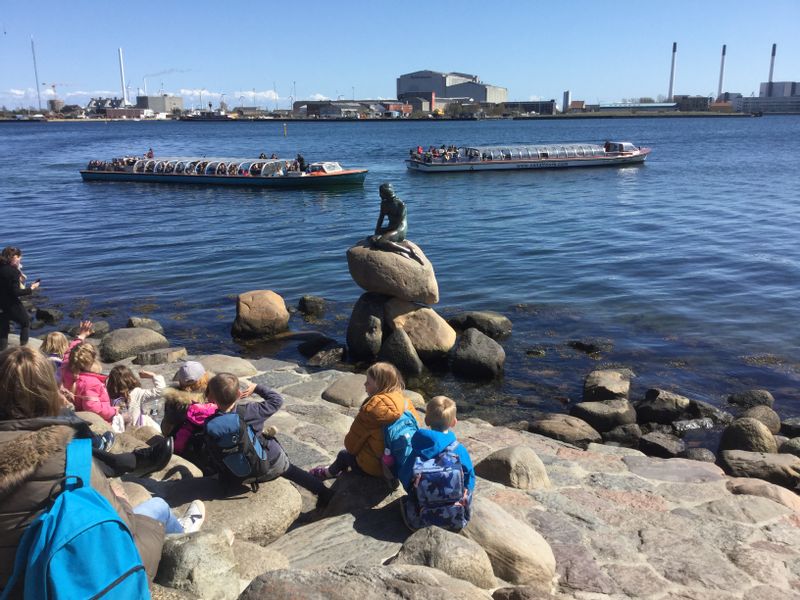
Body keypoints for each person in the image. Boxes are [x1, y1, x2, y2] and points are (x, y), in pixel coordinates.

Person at [0, 346, 204, 595]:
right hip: (61, 581)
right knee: (158, 506)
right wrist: (121, 499)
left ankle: (129, 462)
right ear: (48, 392)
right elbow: (121, 526)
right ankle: (184, 533)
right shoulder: (71, 459)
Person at [203, 373, 334, 504]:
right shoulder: (251, 410)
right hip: (273, 464)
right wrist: (257, 387)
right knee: (292, 470)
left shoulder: (212, 424)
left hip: (240, 475)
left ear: (212, 397)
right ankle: (323, 492)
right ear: (238, 394)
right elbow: (277, 400)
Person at [310, 362, 421, 480]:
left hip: (375, 469)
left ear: (379, 385)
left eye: (368, 382)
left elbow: (351, 446)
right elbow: (417, 428)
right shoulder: (406, 403)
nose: (364, 384)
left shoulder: (371, 410)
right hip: (399, 467)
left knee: (343, 455)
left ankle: (327, 473)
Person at [398, 395, 475, 531]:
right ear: (454, 422)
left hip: (422, 512)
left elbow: (404, 476)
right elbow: (470, 476)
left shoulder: (418, 449)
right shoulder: (459, 450)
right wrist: (465, 492)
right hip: (455, 514)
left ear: (427, 420)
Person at [367, 183, 422, 264]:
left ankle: (410, 252)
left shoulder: (400, 204)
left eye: (380, 193)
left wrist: (384, 230)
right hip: (391, 228)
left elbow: (398, 223)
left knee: (381, 242)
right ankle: (401, 245)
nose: (379, 195)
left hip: (399, 229)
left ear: (384, 193)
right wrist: (377, 231)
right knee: (371, 239)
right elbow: (380, 219)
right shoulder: (384, 204)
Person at [0, 247, 40, 351]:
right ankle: (23, 350)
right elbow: (16, 292)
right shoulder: (13, 272)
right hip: (12, 303)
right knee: (25, 323)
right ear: (12, 257)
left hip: (1, 303)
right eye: (18, 256)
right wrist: (31, 288)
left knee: (4, 327)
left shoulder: (2, 267)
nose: (21, 258)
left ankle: (2, 351)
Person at [106, 365, 164, 430]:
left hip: (118, 430)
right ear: (130, 378)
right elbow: (161, 391)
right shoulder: (137, 393)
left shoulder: (108, 395)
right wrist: (153, 376)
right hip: (138, 429)